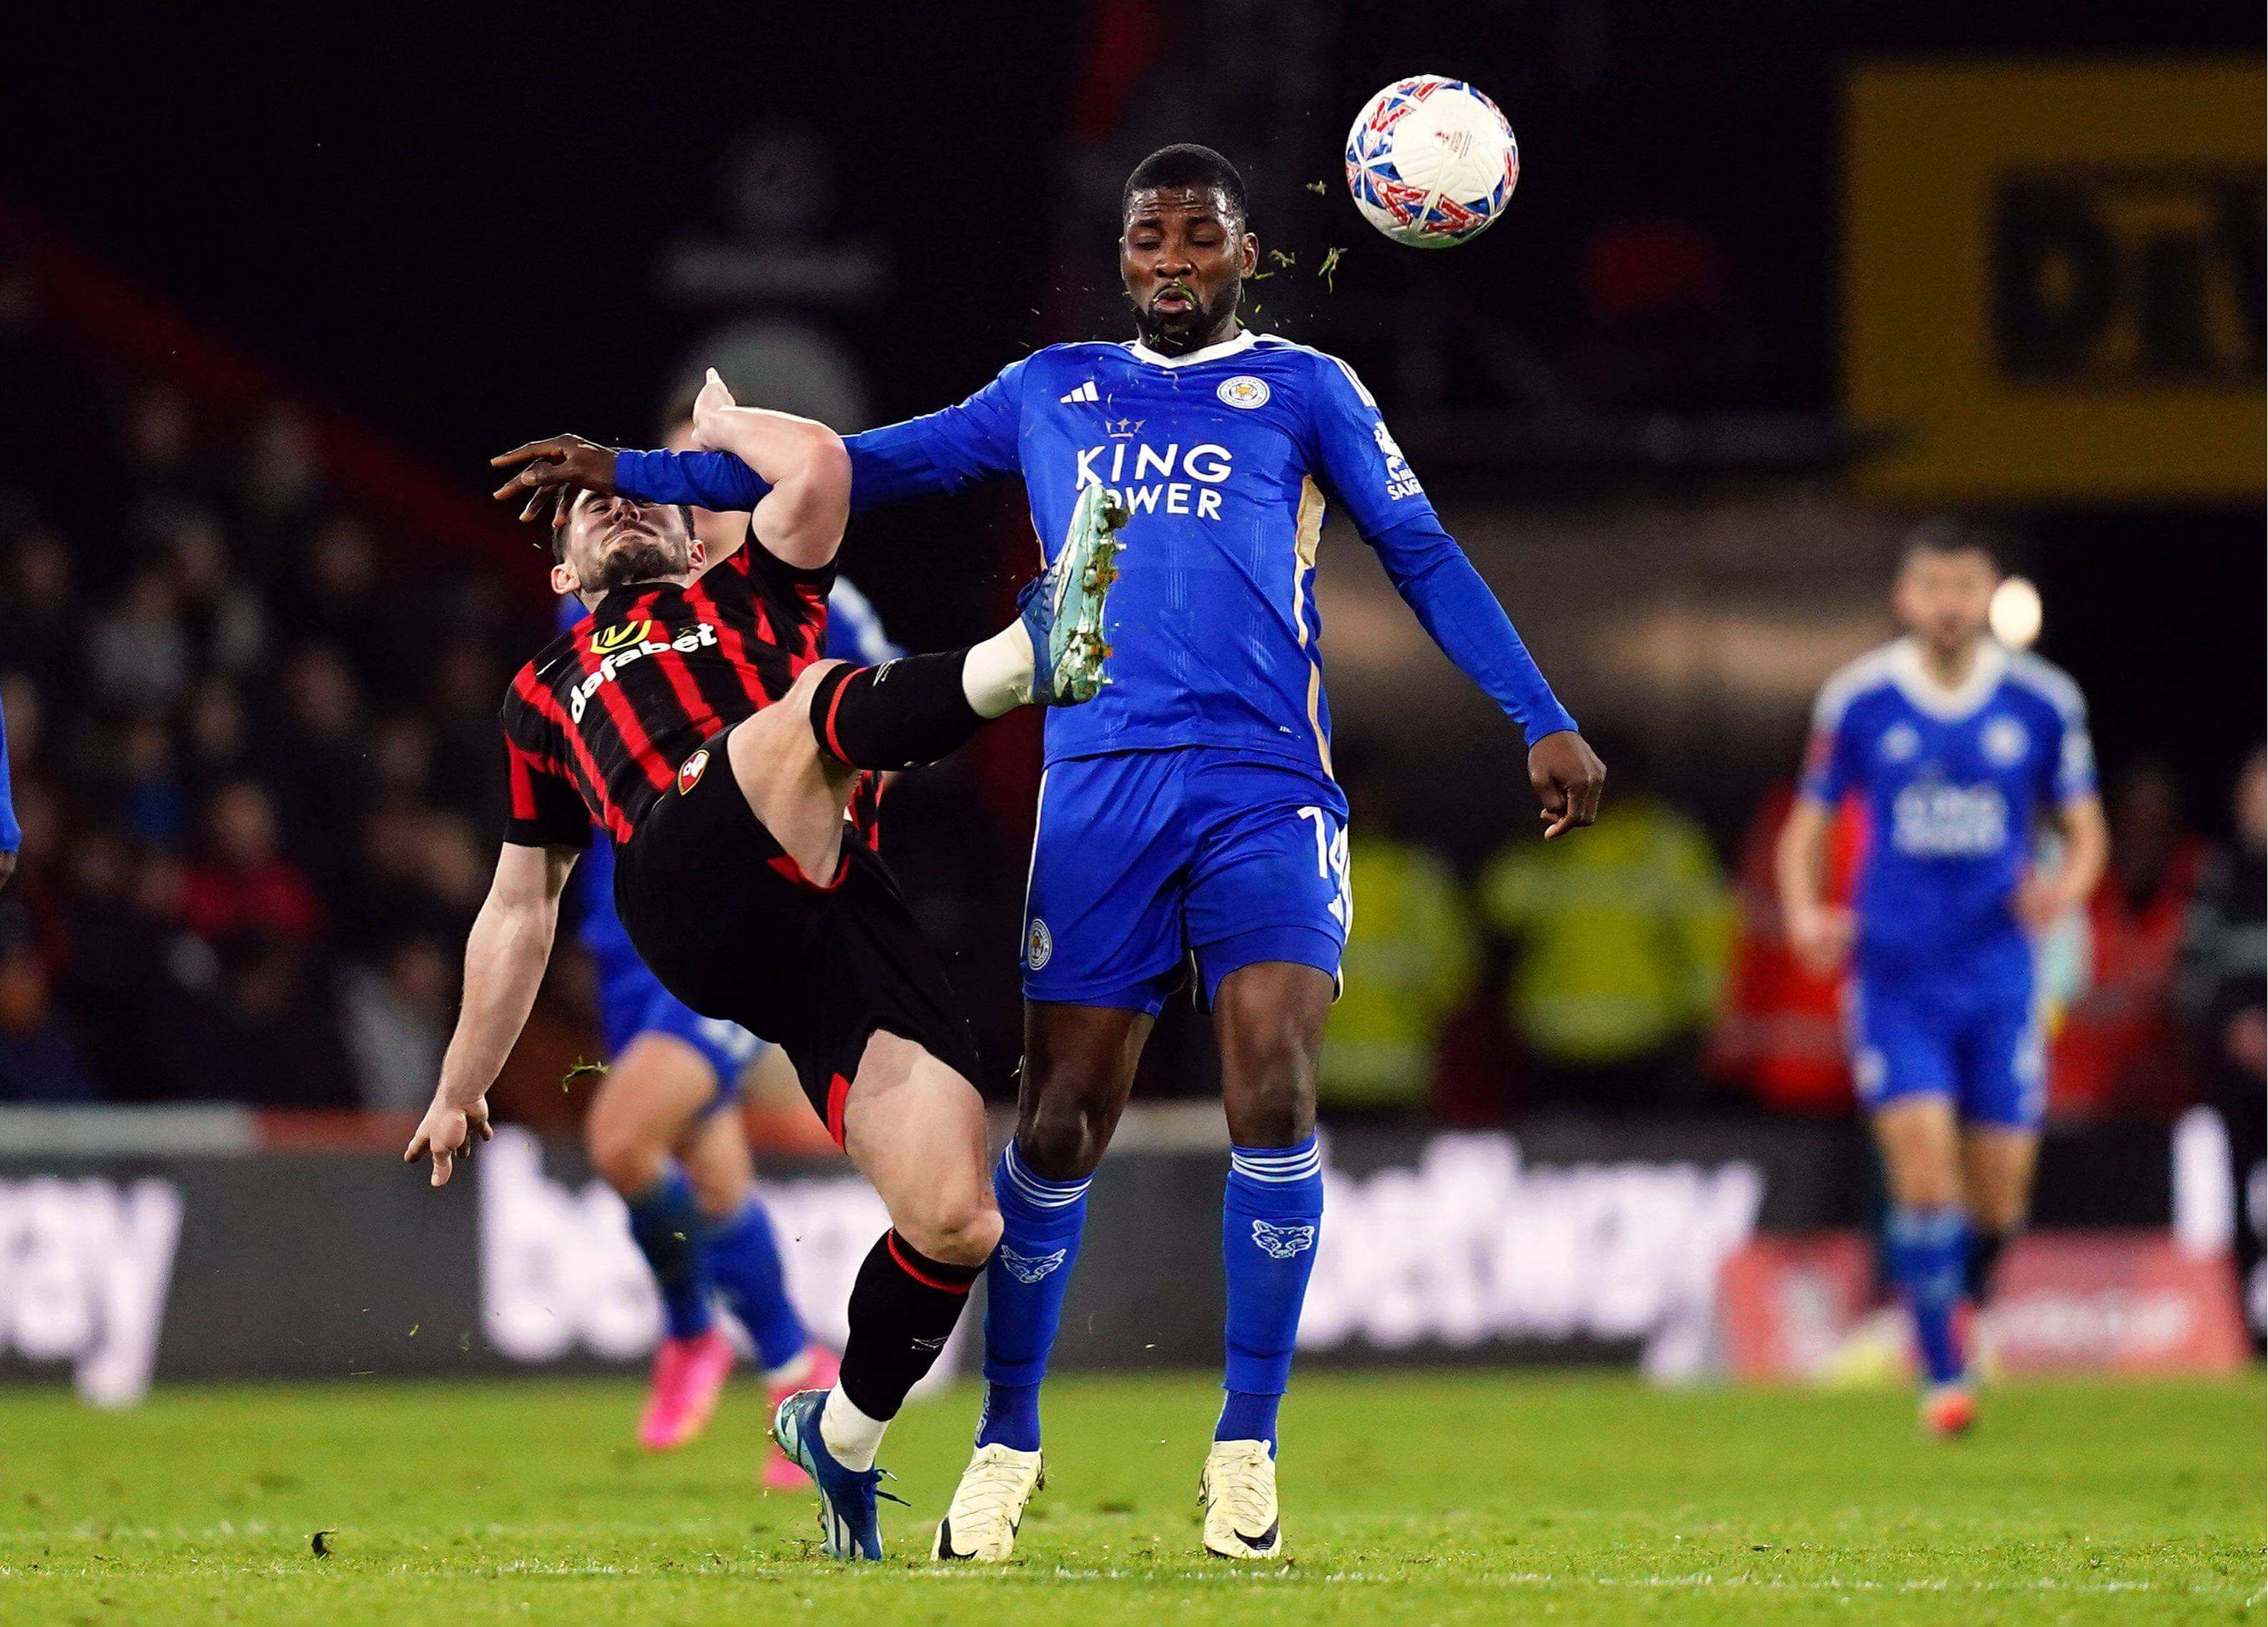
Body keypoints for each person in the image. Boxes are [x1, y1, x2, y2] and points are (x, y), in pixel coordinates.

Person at [593, 144, 1604, 1560]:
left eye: (1199, 237)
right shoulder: (1047, 389)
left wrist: (1538, 718)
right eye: (1148, 239)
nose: (1171, 261)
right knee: (1060, 1120)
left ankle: (1244, 1448)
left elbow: (1421, 554)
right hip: (1098, 789)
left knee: (1275, 1084)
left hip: (1265, 783)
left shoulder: (1308, 391)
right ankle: (1006, 1441)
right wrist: (636, 468)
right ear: (1120, 257)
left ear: (1246, 254)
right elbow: (858, 470)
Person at [415, 372, 1127, 1562]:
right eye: (590, 514)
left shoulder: (755, 595)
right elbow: (517, 905)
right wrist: (458, 1080)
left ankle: (836, 1438)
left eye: (637, 499)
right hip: (686, 888)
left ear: (695, 523)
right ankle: (1030, 656)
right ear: (562, 577)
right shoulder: (542, 693)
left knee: (955, 1222)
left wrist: (712, 436)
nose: (616, 513)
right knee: (801, 717)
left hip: (832, 931)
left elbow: (824, 470)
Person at [556, 426, 901, 1482]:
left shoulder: (795, 591)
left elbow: (880, 712)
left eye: (702, 476)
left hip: (731, 910)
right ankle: (795, 1366)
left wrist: (837, 802)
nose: (677, 495)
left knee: (622, 1139)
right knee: (709, 1179)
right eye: (662, 475)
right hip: (628, 928)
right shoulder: (605, 598)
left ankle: (692, 1329)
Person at [1776, 524, 2107, 1435]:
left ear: (1989, 594)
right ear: (1905, 598)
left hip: (2002, 979)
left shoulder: (2042, 703)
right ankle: (1944, 1377)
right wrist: (1805, 912)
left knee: (1998, 1192)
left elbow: (2085, 831)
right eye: (1932, 586)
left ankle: (1961, 1311)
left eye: (1965, 586)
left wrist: (2066, 892)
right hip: (1897, 978)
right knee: (1924, 1177)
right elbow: (1806, 828)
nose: (1949, 604)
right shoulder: (1860, 700)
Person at [2176, 748, 2266, 1355]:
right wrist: (2235, 1025)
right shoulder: (2221, 874)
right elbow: (2190, 974)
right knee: (2238, 1202)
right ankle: (2253, 1333)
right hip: (2239, 1072)